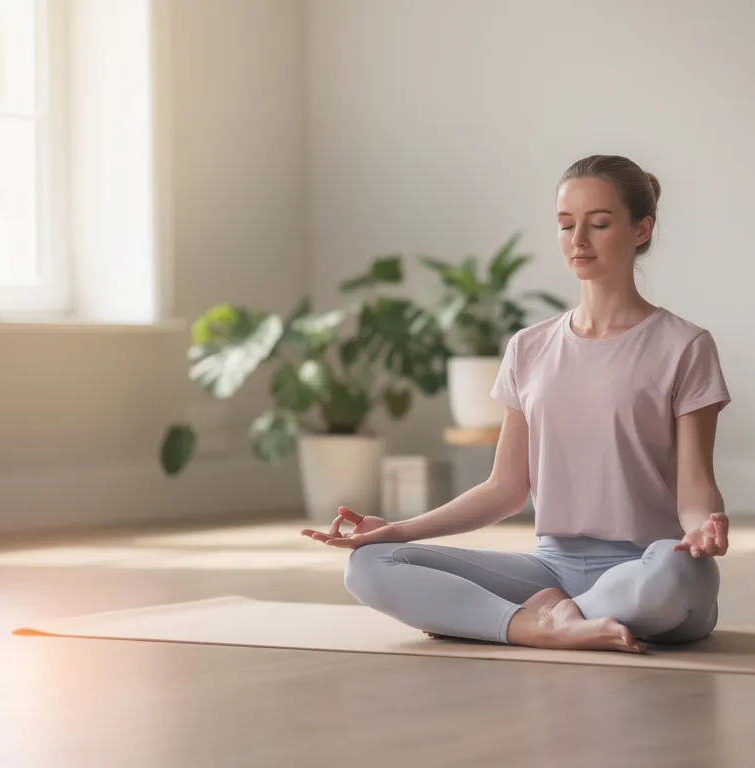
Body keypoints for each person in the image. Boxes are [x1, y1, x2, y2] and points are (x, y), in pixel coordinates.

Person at [302, 154, 731, 654]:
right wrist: (395, 529)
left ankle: (529, 619)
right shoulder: (528, 347)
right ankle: (539, 624)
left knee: (677, 575)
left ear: (641, 230)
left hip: (647, 564)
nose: (578, 240)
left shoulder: (684, 345)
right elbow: (505, 489)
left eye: (599, 224)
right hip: (550, 568)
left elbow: (695, 486)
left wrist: (704, 529)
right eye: (566, 224)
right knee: (371, 566)